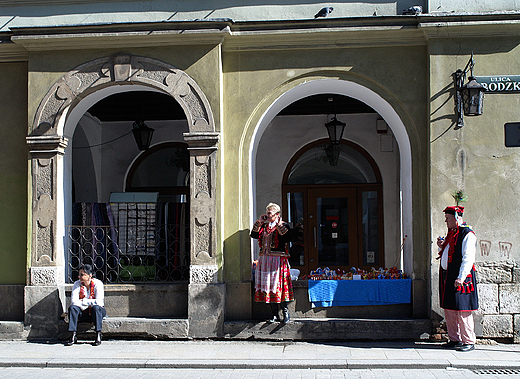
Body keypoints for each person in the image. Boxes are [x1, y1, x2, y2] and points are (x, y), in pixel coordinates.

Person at [437, 206, 478, 352]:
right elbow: (448, 253)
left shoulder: (467, 234)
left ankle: (468, 341)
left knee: (463, 310)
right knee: (450, 309)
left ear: (456, 218)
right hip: (448, 276)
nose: (446, 221)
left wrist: (461, 277)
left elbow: (468, 258)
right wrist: (441, 247)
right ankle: (454, 339)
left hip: (461, 277)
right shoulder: (452, 233)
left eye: (448, 218)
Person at [250, 203, 294, 323]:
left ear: (277, 214)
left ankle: (285, 313)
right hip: (265, 259)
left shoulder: (283, 225)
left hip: (277, 260)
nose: (268, 215)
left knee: (279, 285)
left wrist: (279, 224)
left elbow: (288, 238)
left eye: (270, 213)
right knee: (268, 286)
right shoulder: (264, 226)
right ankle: (274, 314)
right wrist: (259, 222)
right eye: (267, 212)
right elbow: (253, 235)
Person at [66, 264, 106, 346]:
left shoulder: (98, 284)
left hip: (96, 312)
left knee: (96, 308)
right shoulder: (77, 284)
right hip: (83, 312)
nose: (79, 277)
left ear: (89, 275)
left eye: (82, 274)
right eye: (79, 274)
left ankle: (98, 334)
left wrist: (84, 301)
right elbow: (74, 301)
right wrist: (90, 303)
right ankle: (73, 335)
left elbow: (99, 302)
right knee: (72, 308)